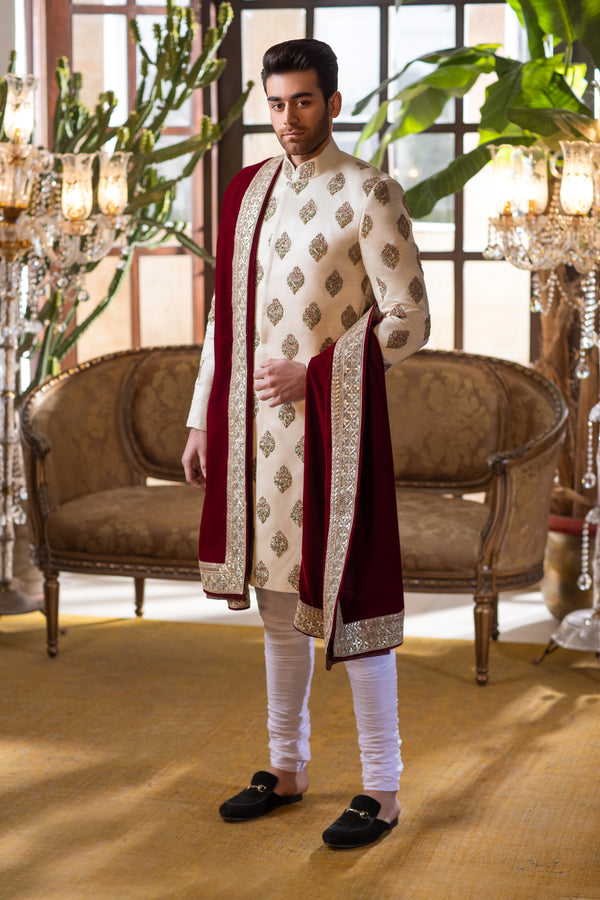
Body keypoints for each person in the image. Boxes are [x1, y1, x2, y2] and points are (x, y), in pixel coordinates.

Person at [182, 38, 430, 850]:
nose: (288, 119)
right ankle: (286, 768)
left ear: (332, 100)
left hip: (335, 430)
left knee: (350, 609)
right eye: (276, 102)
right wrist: (199, 419)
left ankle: (382, 791)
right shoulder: (248, 192)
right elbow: (226, 316)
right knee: (278, 609)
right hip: (254, 439)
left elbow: (409, 320)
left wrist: (316, 373)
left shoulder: (370, 192)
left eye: (304, 102)